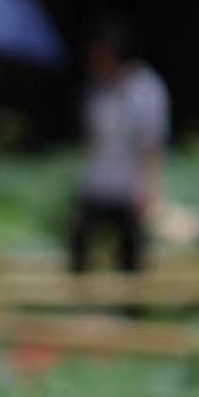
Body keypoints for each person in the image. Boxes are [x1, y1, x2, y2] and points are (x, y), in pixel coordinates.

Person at [69, 25, 169, 275]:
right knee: (79, 241)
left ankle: (132, 310)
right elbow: (91, 141)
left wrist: (150, 189)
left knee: (131, 255)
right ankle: (81, 301)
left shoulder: (146, 90)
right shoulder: (96, 90)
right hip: (98, 181)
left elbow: (151, 144)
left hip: (130, 185)